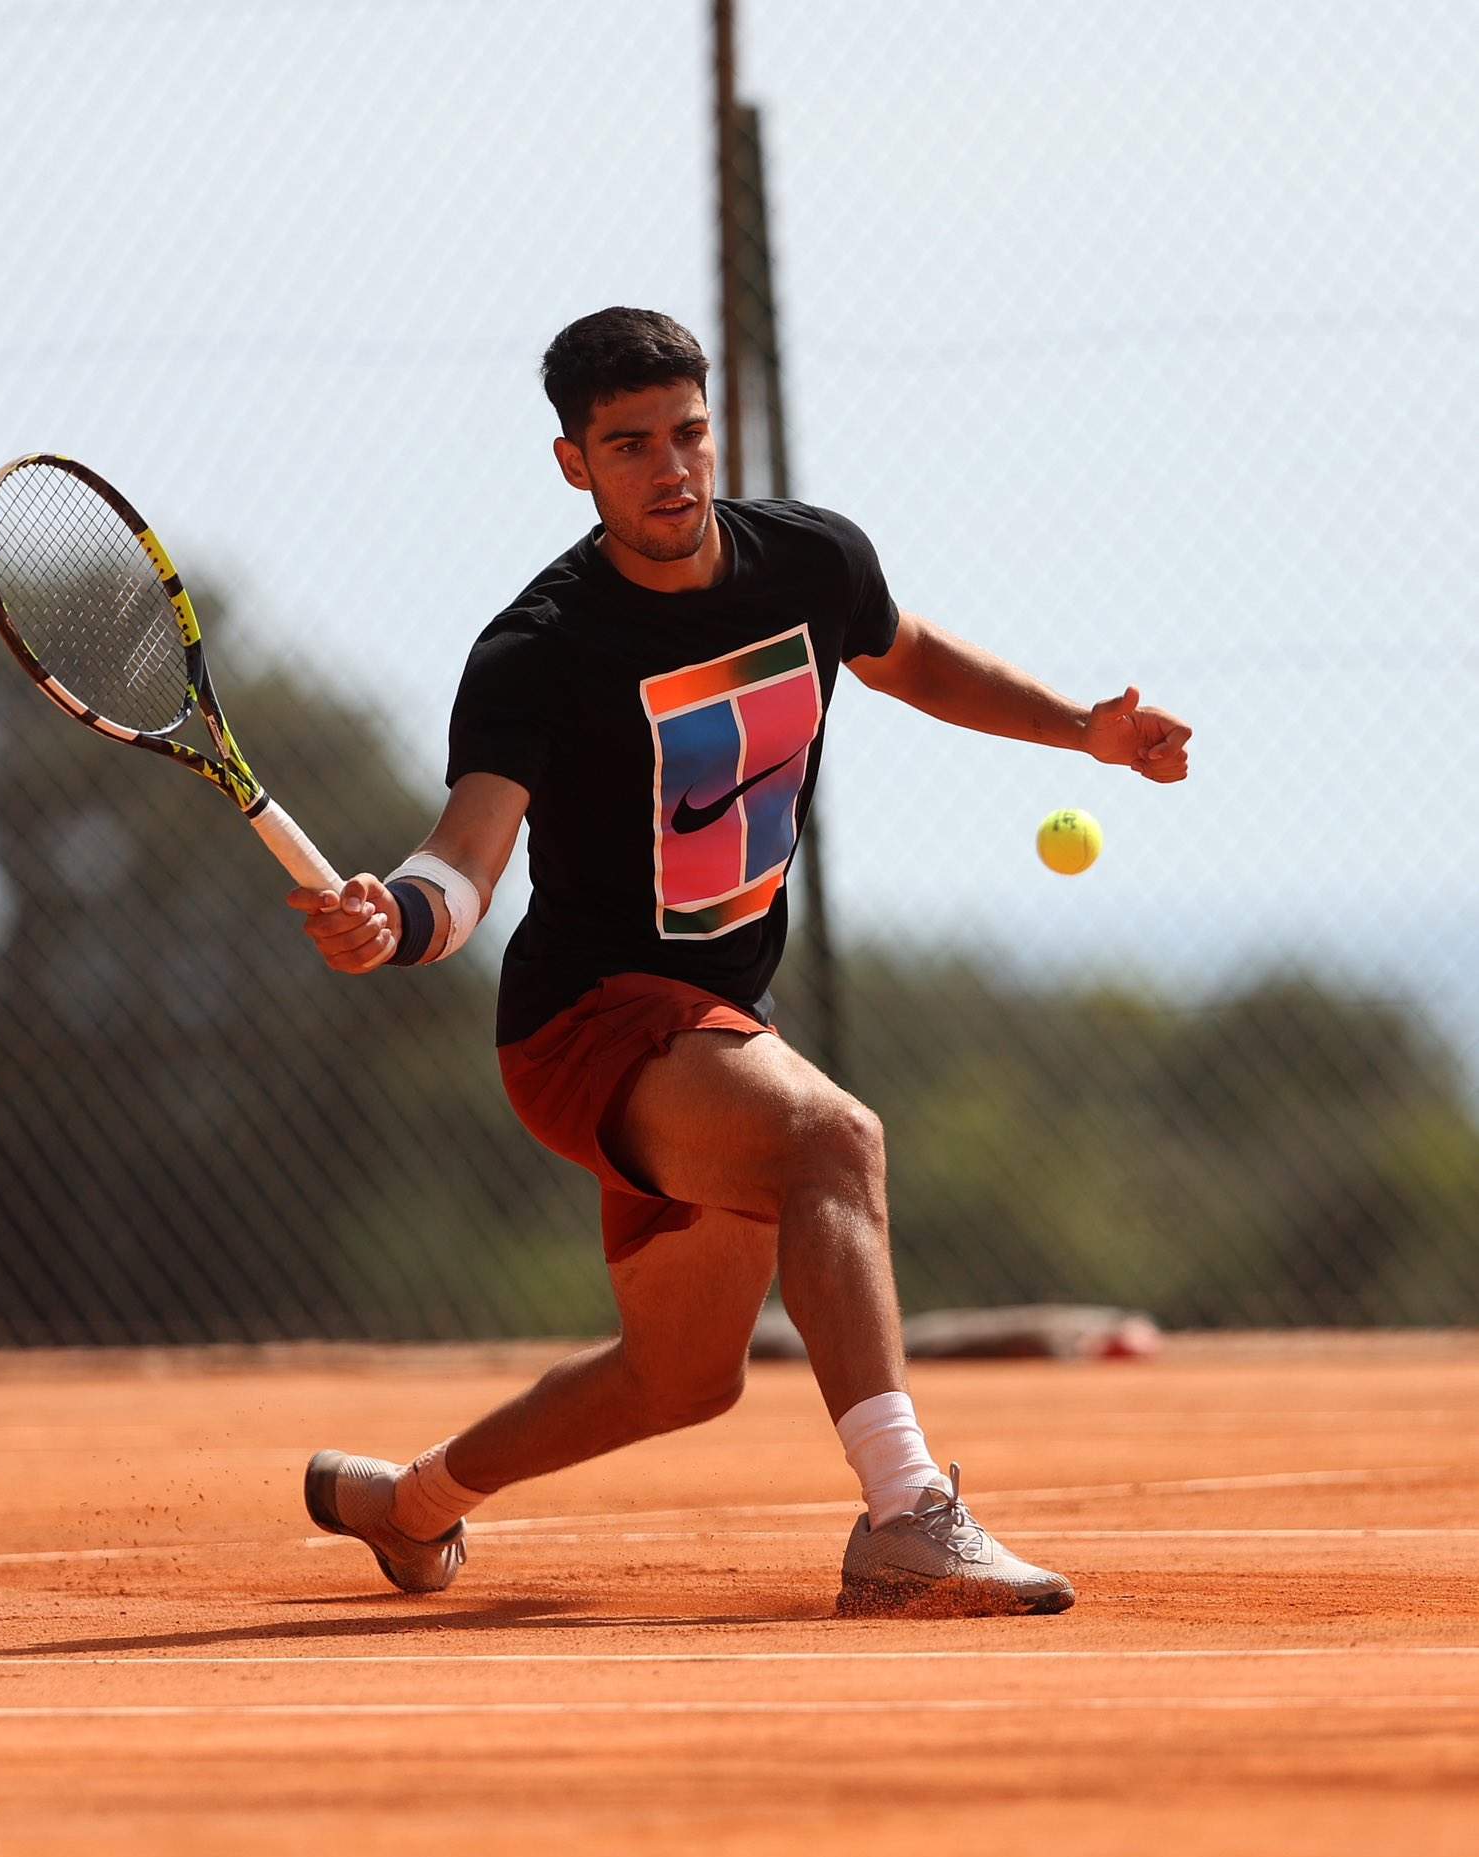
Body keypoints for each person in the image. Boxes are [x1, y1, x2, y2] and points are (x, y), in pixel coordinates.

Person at [290, 307, 1191, 1618]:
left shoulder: (810, 563)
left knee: (682, 1378)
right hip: (585, 1027)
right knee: (834, 1139)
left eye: (688, 434)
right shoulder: (538, 649)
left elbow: (912, 658)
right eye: (630, 444)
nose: (670, 469)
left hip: (715, 1013)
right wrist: (402, 916)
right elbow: (466, 854)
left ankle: (407, 1506)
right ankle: (907, 1520)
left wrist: (1083, 732)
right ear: (574, 465)